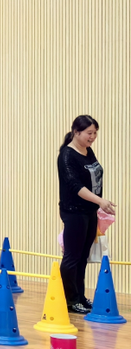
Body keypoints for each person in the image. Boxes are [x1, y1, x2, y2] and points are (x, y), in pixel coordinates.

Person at [56, 115, 114, 314]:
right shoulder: (66, 155)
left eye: (95, 133)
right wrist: (100, 201)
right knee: (72, 257)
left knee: (83, 256)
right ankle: (70, 300)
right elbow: (75, 186)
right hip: (74, 212)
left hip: (90, 212)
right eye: (89, 133)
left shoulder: (87, 151)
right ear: (76, 132)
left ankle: (80, 296)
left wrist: (98, 205)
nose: (93, 137)